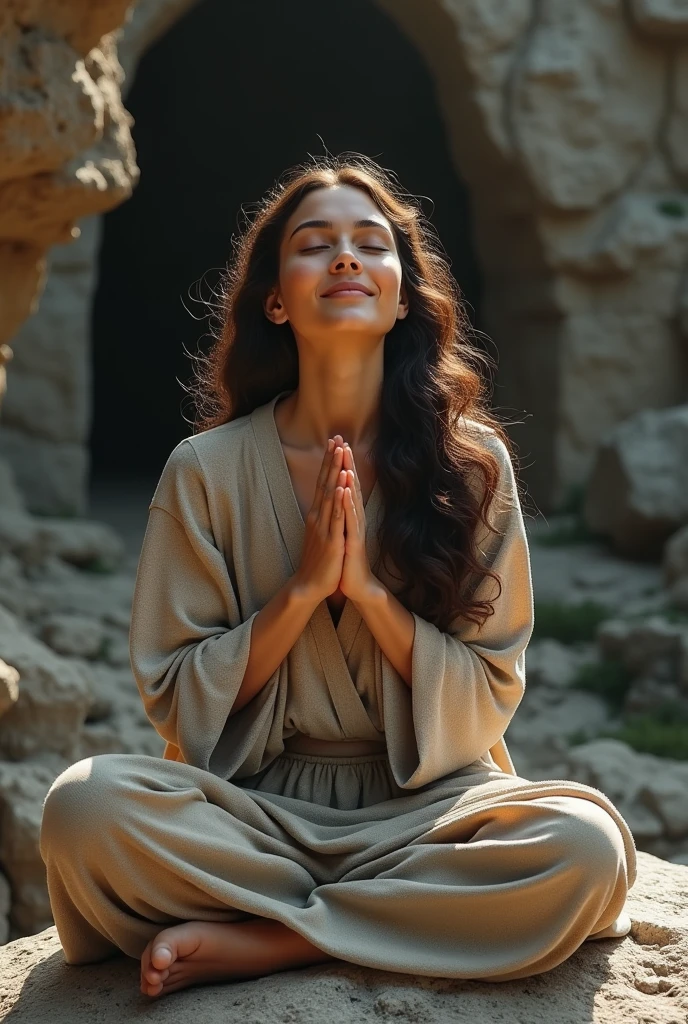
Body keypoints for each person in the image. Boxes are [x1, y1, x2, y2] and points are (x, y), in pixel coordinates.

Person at [39, 154, 636, 1000]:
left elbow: (489, 689)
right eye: (316, 245)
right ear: (277, 300)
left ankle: (277, 939)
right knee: (82, 809)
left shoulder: (472, 468)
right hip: (255, 813)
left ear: (401, 293)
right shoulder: (206, 470)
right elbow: (175, 696)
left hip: (429, 810)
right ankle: (385, 921)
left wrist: (368, 594)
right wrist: (304, 590)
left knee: (585, 848)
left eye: (372, 244)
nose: (347, 258)